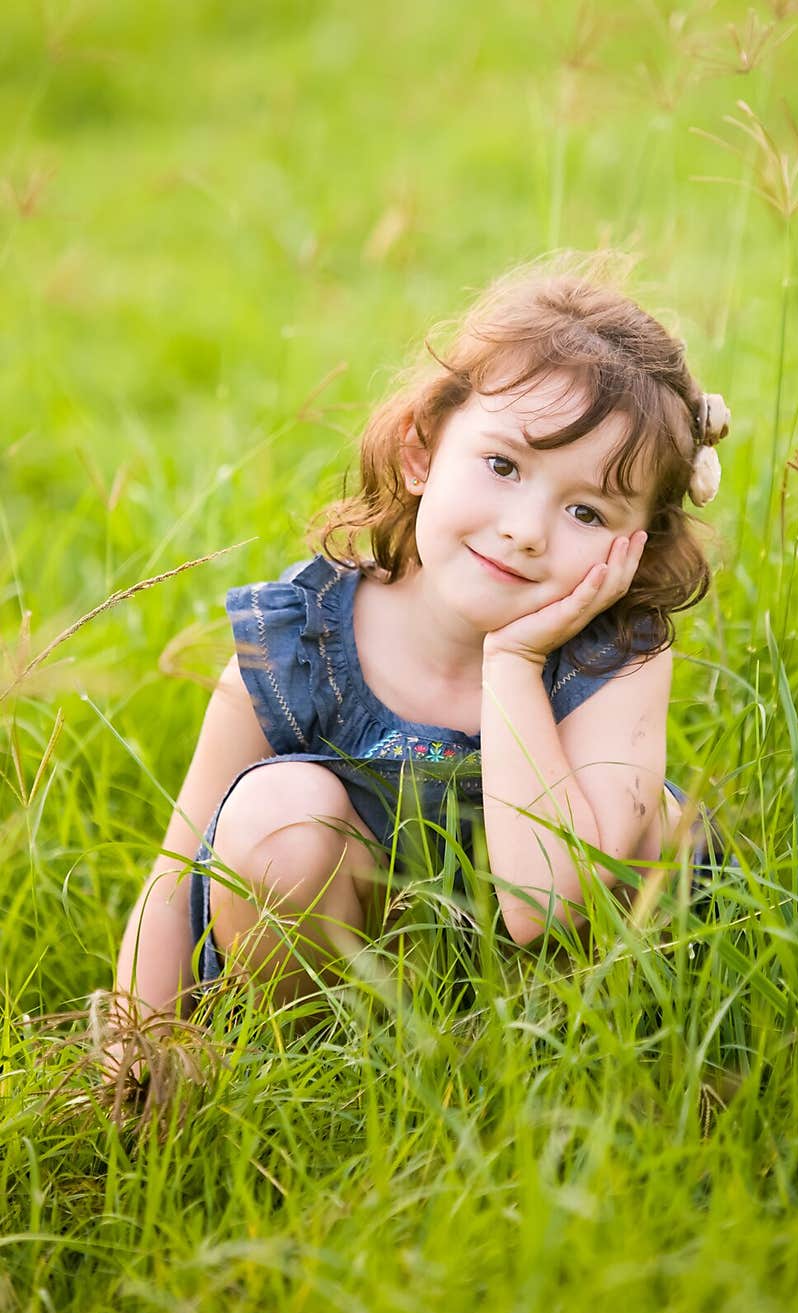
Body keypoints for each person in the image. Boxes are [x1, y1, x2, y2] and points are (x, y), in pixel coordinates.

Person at [114, 250, 732, 1034]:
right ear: (421, 452)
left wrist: (514, 663)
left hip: (552, 1004)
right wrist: (134, 1043)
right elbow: (174, 882)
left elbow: (547, 905)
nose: (525, 530)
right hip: (360, 959)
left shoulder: (618, 657)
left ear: (637, 545)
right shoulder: (304, 648)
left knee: (652, 832)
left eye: (588, 513)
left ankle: (537, 1073)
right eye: (504, 464)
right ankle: (316, 1069)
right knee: (272, 814)